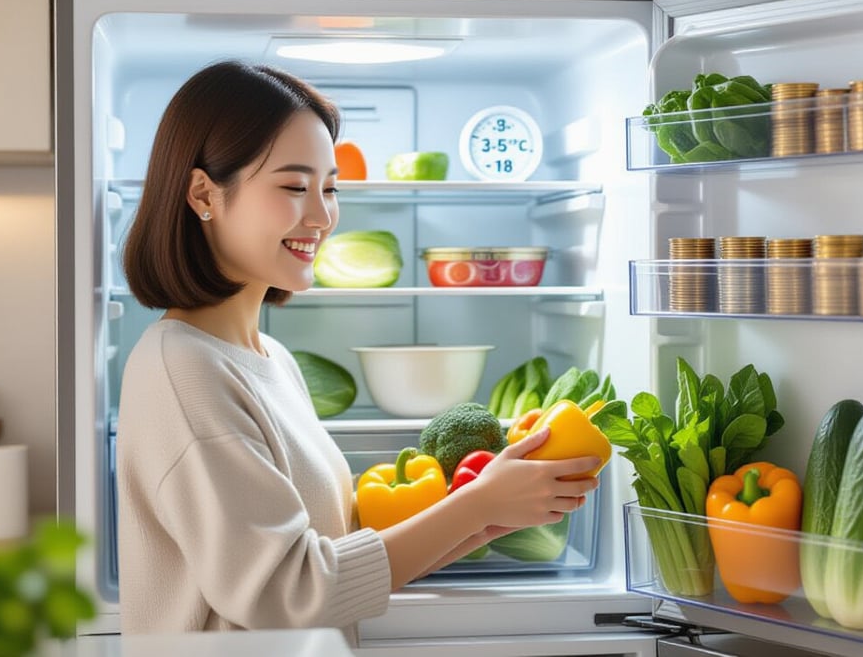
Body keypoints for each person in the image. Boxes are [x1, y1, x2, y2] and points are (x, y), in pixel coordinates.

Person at [115, 60, 602, 645]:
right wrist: (475, 507)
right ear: (204, 194)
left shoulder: (268, 358)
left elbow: (338, 562)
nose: (322, 217)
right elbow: (285, 595)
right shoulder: (182, 369)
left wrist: (491, 507)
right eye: (295, 187)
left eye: (330, 188)